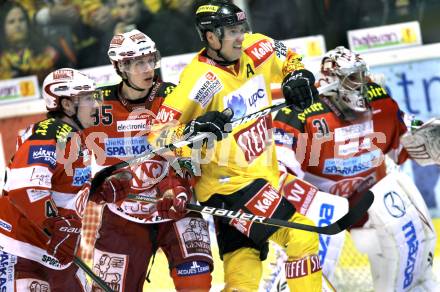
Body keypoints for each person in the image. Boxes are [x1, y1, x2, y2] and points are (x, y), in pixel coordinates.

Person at [150, 1, 322, 291]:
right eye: (232, 31)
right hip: (228, 188)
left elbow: (289, 57)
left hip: (262, 179)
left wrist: (298, 75)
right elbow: (157, 135)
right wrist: (192, 130)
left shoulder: (257, 47)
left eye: (241, 28)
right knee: (302, 236)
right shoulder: (199, 80)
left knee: (243, 275)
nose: (241, 36)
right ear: (211, 37)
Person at [273, 46, 439, 291]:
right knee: (315, 246)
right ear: (332, 81)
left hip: (368, 195)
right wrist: (308, 201)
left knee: (408, 233)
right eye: (353, 78)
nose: (362, 84)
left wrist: (424, 137)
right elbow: (278, 172)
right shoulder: (299, 113)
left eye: (363, 75)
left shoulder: (380, 101)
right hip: (323, 200)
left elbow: (404, 144)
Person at [84, 29, 213, 292]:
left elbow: (197, 152)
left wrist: (181, 185)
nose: (147, 69)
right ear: (120, 67)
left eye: (150, 60)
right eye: (138, 63)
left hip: (177, 208)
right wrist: (91, 187)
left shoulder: (173, 97)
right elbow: (64, 147)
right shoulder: (95, 105)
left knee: (197, 284)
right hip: (123, 218)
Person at [0, 68, 132, 290]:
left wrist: (95, 190)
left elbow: (60, 188)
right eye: (88, 98)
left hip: (57, 254)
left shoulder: (75, 137)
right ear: (68, 105)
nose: (96, 105)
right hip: (20, 250)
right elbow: (24, 189)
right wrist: (57, 226)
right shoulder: (50, 133)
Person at [0, 1, 64, 82]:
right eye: (11, 22)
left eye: (21, 20)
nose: (18, 25)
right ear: (2, 28)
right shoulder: (2, 59)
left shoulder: (48, 52)